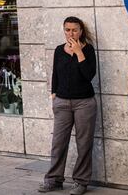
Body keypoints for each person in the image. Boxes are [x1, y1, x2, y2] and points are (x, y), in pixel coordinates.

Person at [39, 16, 97, 195]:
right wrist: (53, 94)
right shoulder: (58, 50)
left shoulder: (88, 50)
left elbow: (89, 76)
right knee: (58, 142)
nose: (70, 33)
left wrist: (79, 52)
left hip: (84, 103)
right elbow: (55, 73)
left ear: (81, 31)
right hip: (62, 102)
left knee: (84, 143)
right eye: (67, 30)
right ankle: (54, 180)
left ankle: (81, 182)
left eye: (74, 30)